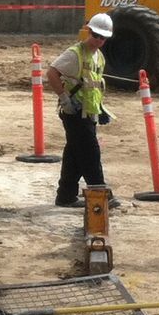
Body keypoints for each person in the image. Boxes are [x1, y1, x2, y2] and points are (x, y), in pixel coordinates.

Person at [46, 13, 117, 208]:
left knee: (75, 153)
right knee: (90, 153)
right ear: (89, 31)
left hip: (88, 112)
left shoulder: (99, 57)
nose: (99, 40)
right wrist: (64, 99)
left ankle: (66, 195)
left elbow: (93, 86)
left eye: (103, 37)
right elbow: (52, 73)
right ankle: (100, 193)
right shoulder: (74, 53)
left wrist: (100, 109)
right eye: (96, 35)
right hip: (74, 112)